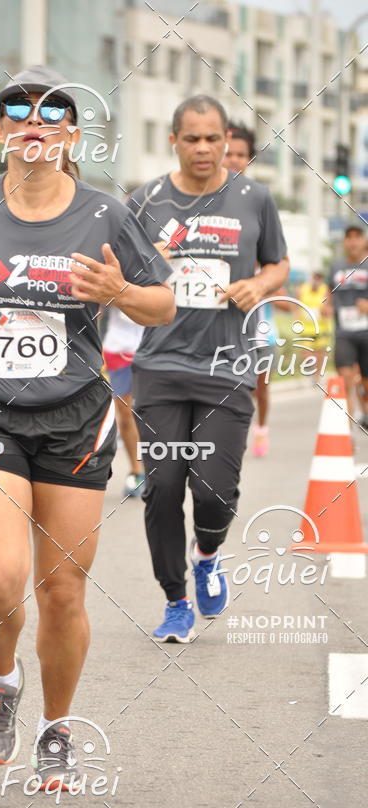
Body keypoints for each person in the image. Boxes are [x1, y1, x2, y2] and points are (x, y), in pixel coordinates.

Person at [0, 66, 174, 789]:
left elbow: (162, 305)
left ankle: (56, 728)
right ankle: (3, 679)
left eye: (52, 112)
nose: (34, 121)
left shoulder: (105, 213)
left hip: (75, 421)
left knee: (62, 591)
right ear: (1, 132)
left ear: (69, 135)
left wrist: (121, 290)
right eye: (18, 112)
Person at [129, 95, 289, 642]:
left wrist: (261, 285)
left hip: (228, 365)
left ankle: (208, 554)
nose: (203, 148)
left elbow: (279, 263)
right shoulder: (145, 200)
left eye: (213, 138)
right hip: (160, 366)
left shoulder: (254, 198)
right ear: (173, 139)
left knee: (215, 490)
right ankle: (176, 601)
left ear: (227, 142)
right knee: (163, 487)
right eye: (191, 138)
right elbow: (118, 271)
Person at [224, 121, 289, 457]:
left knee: (260, 387)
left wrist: (260, 283)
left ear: (249, 160)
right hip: (213, 323)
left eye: (240, 155)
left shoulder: (259, 203)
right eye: (228, 153)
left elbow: (278, 263)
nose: (233, 160)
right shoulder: (196, 200)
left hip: (257, 324)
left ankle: (260, 428)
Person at [325, 224, 368, 428]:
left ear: (364, 241)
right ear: (344, 242)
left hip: (366, 332)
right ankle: (346, 433)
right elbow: (328, 292)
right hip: (344, 332)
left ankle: (365, 412)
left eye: (357, 237)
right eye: (348, 237)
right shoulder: (336, 267)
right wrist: (326, 306)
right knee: (345, 381)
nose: (352, 241)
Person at [102, 305, 145, 496]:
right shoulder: (111, 272)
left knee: (158, 411)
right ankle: (138, 471)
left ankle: (162, 468)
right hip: (118, 349)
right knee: (126, 414)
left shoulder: (163, 274)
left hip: (157, 349)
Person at [296, 271, 332, 377]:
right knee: (306, 353)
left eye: (319, 278)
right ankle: (311, 368)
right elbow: (296, 305)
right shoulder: (302, 289)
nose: (316, 281)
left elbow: (328, 307)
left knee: (320, 353)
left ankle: (317, 376)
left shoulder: (325, 290)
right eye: (315, 278)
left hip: (321, 327)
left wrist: (325, 311)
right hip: (306, 328)